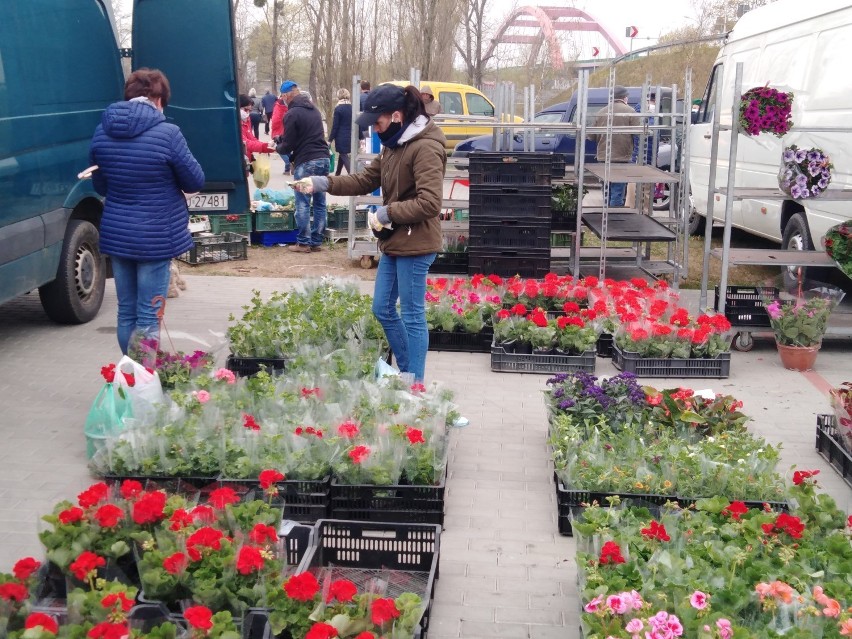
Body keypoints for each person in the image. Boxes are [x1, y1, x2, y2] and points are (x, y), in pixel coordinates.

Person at [294, 84, 446, 382]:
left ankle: (414, 385)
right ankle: (406, 372)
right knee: (382, 308)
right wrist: (323, 182)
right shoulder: (395, 142)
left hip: (417, 242)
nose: (374, 130)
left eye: (377, 122)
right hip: (396, 239)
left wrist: (387, 212)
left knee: (413, 316)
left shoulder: (425, 146)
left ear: (398, 116)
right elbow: (366, 179)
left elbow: (430, 203)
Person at [88, 68, 205, 354]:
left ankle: (130, 380)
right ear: (159, 99)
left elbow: (101, 185)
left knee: (126, 312)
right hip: (156, 235)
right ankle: (144, 387)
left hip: (118, 233)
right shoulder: (168, 133)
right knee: (149, 316)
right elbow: (195, 180)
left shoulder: (102, 131)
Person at [275, 80, 330, 252]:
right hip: (323, 159)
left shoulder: (291, 114)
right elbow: (305, 134)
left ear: (286, 96)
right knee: (320, 202)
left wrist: (277, 147)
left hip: (307, 161)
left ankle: (303, 242)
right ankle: (316, 241)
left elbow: (288, 144)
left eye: (283, 97)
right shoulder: (314, 109)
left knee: (303, 202)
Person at [590, 85, 640, 207]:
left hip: (603, 157)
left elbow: (591, 136)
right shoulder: (630, 111)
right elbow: (638, 133)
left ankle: (605, 218)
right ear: (624, 98)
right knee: (618, 191)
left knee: (606, 189)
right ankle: (613, 219)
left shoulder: (601, 112)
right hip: (622, 157)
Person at [239, 94, 275, 168]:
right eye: (246, 110)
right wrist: (264, 147)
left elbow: (251, 138)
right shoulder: (235, 122)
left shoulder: (246, 119)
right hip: (239, 160)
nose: (247, 112)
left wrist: (266, 145)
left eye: (250, 110)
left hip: (246, 158)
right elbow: (245, 143)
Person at [328, 88, 353, 175]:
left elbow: (335, 126)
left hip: (340, 136)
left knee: (343, 154)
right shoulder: (352, 107)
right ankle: (337, 174)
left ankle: (352, 174)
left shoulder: (338, 109)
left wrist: (330, 139)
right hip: (351, 135)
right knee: (342, 155)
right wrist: (360, 136)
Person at [270, 82, 291, 174]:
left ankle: (288, 163)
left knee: (279, 149)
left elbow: (275, 120)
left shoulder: (278, 106)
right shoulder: (290, 105)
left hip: (279, 131)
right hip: (288, 131)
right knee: (287, 148)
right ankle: (288, 168)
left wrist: (273, 130)